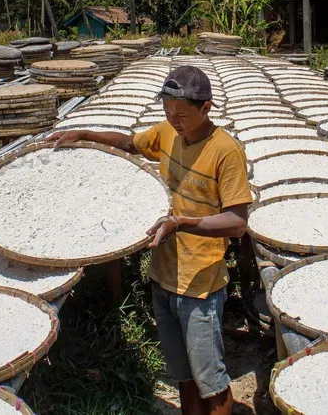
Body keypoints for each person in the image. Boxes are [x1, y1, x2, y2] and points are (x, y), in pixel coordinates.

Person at [47, 65, 251, 415]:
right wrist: (85, 134)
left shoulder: (225, 151)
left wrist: (183, 223)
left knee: (210, 380)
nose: (174, 121)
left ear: (206, 108)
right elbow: (130, 143)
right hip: (163, 276)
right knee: (182, 375)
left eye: (182, 115)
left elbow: (237, 222)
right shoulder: (167, 133)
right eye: (168, 113)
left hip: (200, 282)